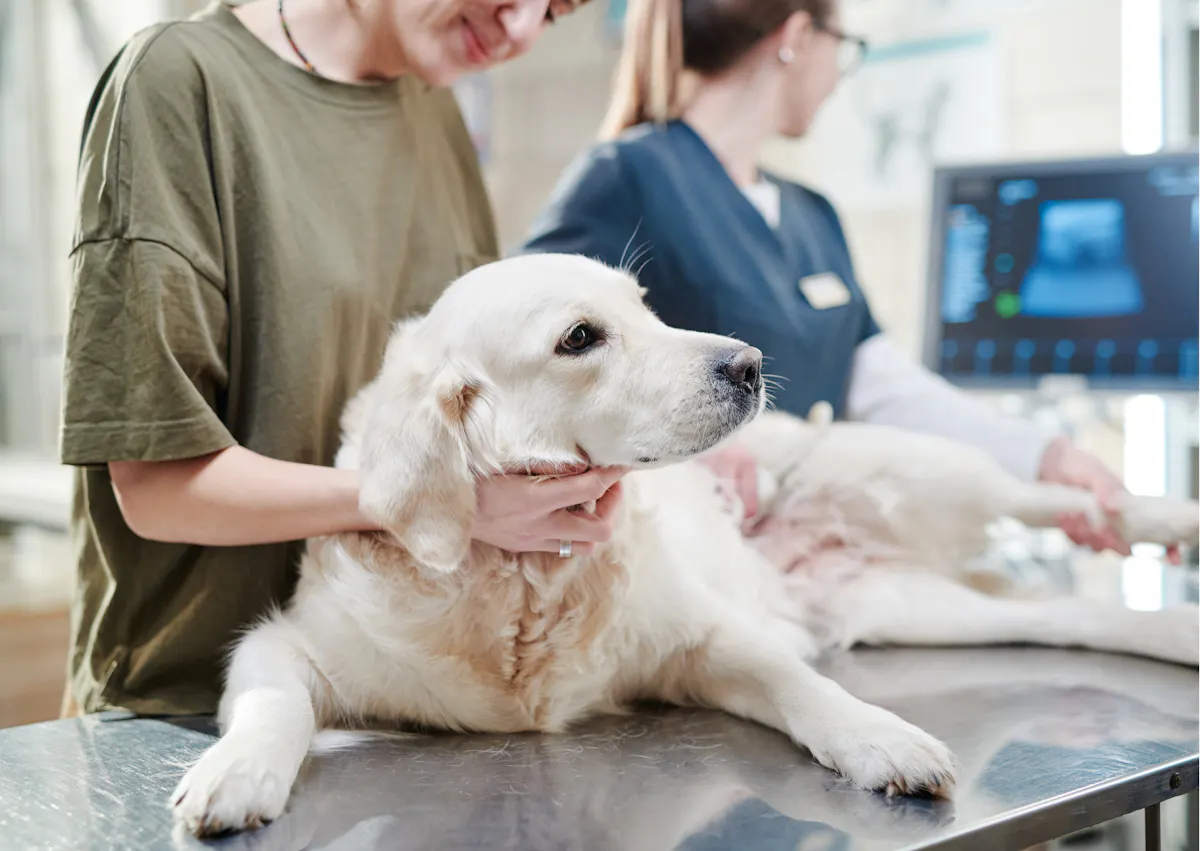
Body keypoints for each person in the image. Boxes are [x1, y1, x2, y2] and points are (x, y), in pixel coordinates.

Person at [59, 0, 627, 719]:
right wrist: (419, 499)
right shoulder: (178, 83)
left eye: (552, 15)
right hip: (185, 709)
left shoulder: (435, 112)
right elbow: (156, 486)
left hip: (399, 697)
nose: (519, 31)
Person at [519, 0, 1137, 554]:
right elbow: (523, 372)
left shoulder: (812, 213)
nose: (840, 76)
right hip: (694, 563)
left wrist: (1046, 455)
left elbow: (884, 389)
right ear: (796, 38)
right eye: (843, 47)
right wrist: (688, 461)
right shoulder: (624, 177)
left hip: (812, 556)